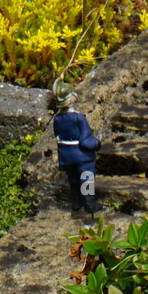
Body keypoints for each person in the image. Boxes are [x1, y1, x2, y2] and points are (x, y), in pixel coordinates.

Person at [52, 83, 100, 216]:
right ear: (72, 98)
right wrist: (97, 143)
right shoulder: (78, 118)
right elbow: (86, 141)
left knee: (73, 178)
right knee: (86, 177)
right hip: (82, 156)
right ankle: (90, 205)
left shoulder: (57, 119)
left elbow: (57, 135)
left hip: (66, 155)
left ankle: (76, 203)